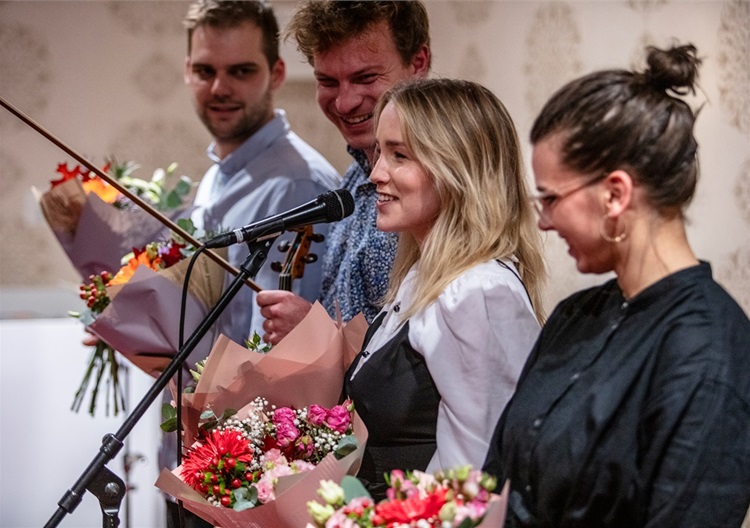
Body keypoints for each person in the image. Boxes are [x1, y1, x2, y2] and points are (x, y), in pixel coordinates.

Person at [483, 43, 750, 528]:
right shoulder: (575, 315)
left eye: (550, 199)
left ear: (615, 194)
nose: (543, 221)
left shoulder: (710, 351)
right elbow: (498, 482)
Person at [344, 78, 546, 501]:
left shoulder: (478, 291)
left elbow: (475, 475)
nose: (376, 173)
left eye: (400, 155)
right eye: (379, 152)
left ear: (459, 169)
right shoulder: (424, 275)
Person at [256, 0, 431, 344]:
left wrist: (319, 336)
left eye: (365, 77)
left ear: (418, 63)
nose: (344, 102)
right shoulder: (352, 179)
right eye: (328, 81)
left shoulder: (433, 188)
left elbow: (426, 355)